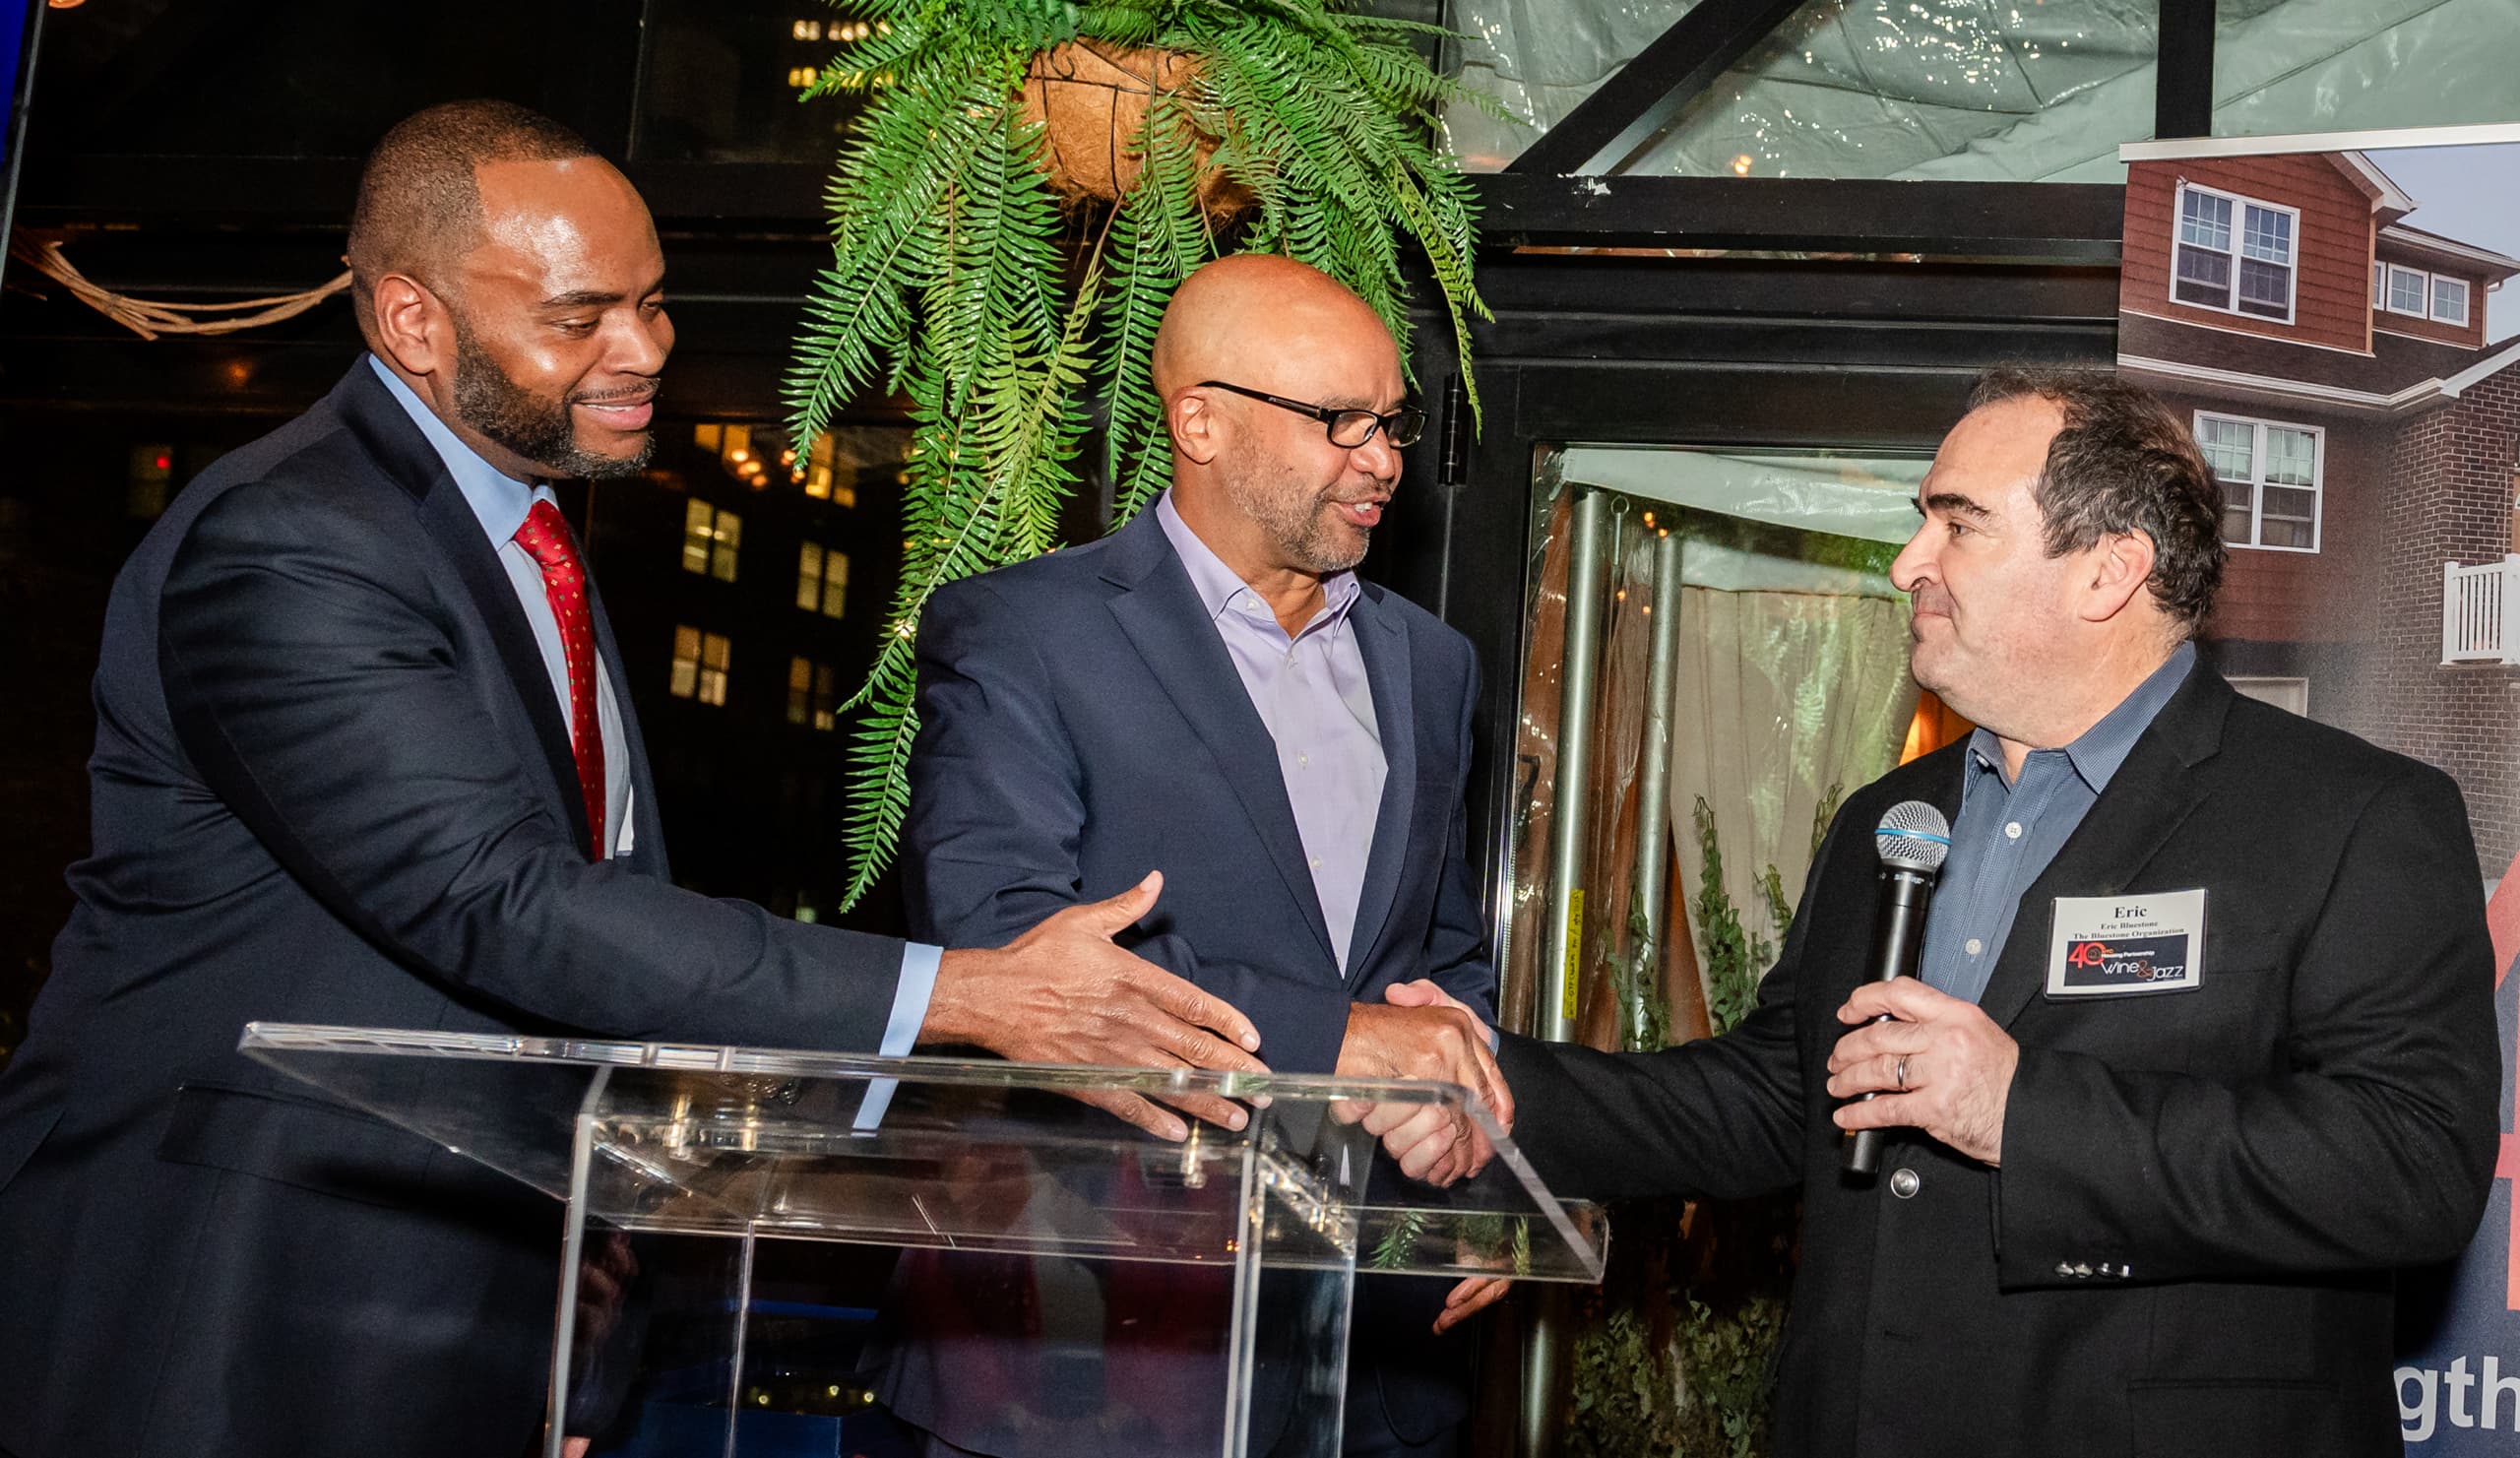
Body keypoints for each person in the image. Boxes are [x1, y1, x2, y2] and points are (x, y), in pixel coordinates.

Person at [0, 101, 1268, 1458]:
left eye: (654, 303)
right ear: (412, 322)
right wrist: (963, 995)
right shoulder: (291, 543)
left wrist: (572, 1320)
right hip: (236, 1307)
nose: (646, 349)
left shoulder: (522, 529)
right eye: (580, 314)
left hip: (478, 1308)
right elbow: (499, 904)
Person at [1396, 366, 2502, 1457]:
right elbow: (1781, 1092)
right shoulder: (1893, 815)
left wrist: (2023, 1110)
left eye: (1956, 524)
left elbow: (2407, 1166)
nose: (1905, 562)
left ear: (2109, 570)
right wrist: (1494, 1088)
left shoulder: (2352, 816)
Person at [889, 255, 1512, 1457]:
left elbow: (1442, 955)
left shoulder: (1433, 665)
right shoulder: (1026, 630)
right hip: (1085, 1339)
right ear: (1201, 421)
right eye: (1339, 421)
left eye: (1392, 423)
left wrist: (1466, 1120)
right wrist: (1348, 1044)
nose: (1381, 459)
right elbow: (1005, 936)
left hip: (1359, 1353)